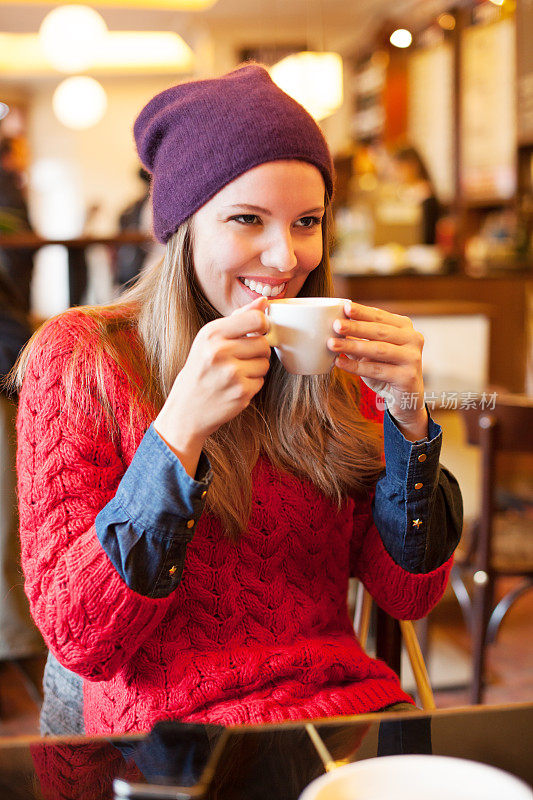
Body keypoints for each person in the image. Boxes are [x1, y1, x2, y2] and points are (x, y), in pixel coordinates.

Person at [14, 64, 462, 737]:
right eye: (247, 218)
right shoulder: (82, 359)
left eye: (306, 221)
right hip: (171, 746)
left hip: (341, 720)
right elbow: (81, 638)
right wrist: (178, 434)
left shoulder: (327, 363)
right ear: (184, 227)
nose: (284, 257)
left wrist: (409, 424)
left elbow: (409, 594)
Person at [0, 137, 34, 312]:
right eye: (20, 152)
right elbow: (15, 221)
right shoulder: (6, 181)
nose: (24, 157)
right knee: (18, 306)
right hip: (13, 257)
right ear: (8, 155)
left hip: (15, 256)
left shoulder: (13, 181)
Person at [391, 146, 441, 246]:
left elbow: (427, 235)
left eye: (399, 168)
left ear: (413, 166)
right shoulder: (401, 191)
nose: (395, 173)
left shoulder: (425, 193)